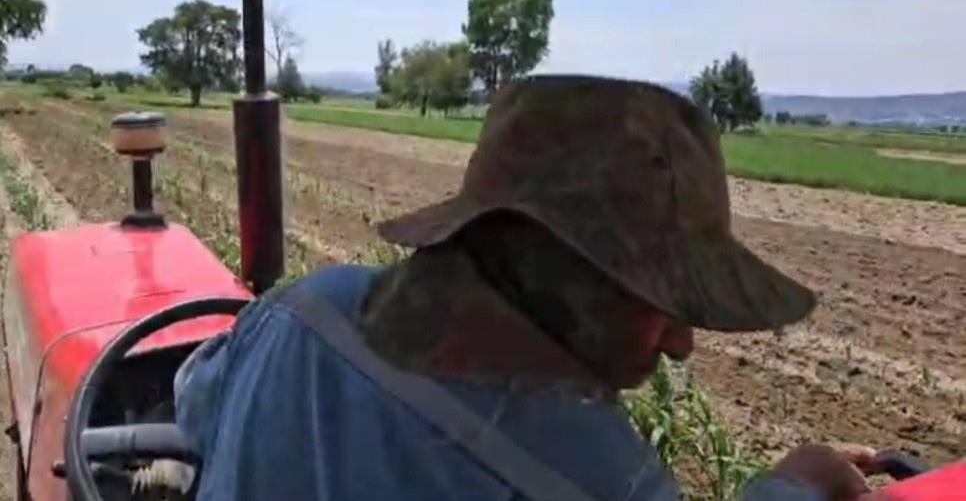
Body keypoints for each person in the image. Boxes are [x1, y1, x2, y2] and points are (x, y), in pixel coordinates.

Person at [175, 76, 876, 500]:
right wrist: (794, 486)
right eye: (660, 299)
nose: (684, 344)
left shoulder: (298, 309)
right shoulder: (600, 478)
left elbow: (192, 404)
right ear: (565, 274)